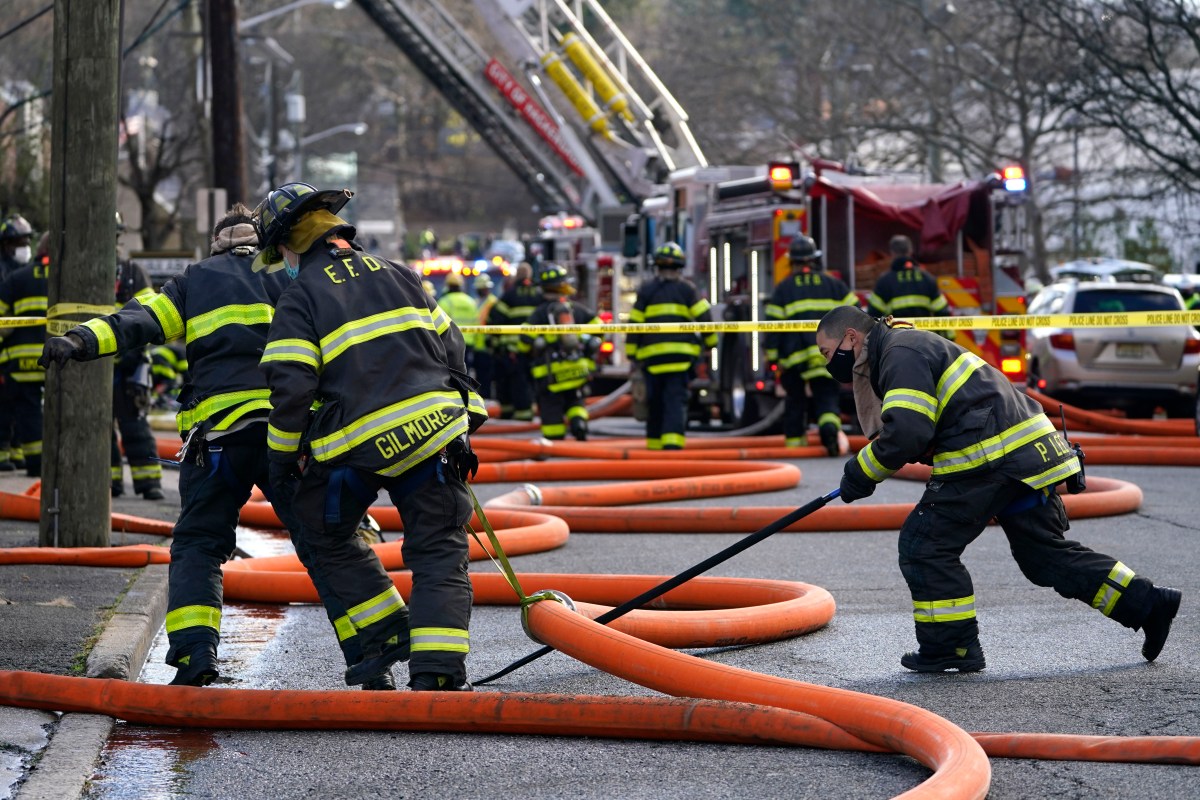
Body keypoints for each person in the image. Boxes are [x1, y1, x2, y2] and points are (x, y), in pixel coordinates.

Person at [40, 203, 382, 688]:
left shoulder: (194, 281)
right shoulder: (295, 278)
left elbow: (138, 321)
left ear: (216, 242)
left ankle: (195, 656)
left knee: (200, 544)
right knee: (326, 545)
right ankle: (373, 658)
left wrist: (77, 339)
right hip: (289, 438)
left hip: (219, 441)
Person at [814, 305, 1182, 673]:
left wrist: (859, 473)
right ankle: (1149, 604)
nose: (830, 363)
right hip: (1025, 455)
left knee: (924, 544)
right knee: (1044, 557)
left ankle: (952, 647)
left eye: (827, 353)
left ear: (851, 337)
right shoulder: (901, 348)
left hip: (990, 456)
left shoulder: (899, 353)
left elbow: (908, 431)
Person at [252, 182, 486, 692]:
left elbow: (291, 387)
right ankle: (439, 673)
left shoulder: (301, 295)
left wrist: (281, 457)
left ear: (293, 243)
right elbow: (453, 346)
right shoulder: (400, 274)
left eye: (281, 253)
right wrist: (466, 418)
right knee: (439, 550)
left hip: (357, 449)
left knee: (323, 532)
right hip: (433, 438)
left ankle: (382, 633)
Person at [765, 235, 858, 454]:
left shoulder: (783, 289)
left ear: (792, 262)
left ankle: (796, 447)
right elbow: (857, 313)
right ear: (814, 259)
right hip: (829, 354)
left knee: (795, 400)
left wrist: (772, 356)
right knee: (827, 396)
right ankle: (829, 429)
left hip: (794, 358)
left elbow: (772, 326)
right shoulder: (834, 285)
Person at [624, 242, 716, 450]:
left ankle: (655, 447)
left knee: (654, 403)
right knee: (674, 402)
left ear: (657, 267)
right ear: (679, 267)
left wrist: (632, 355)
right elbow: (705, 318)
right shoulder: (687, 290)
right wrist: (711, 344)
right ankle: (672, 447)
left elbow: (635, 325)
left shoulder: (646, 291)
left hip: (652, 360)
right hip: (680, 360)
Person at [110, 215, 164, 499]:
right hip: (96, 365)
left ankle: (149, 483)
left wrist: (133, 353)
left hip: (129, 366)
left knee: (135, 426)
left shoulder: (132, 272)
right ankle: (110, 482)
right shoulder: (84, 271)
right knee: (98, 428)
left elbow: (148, 317)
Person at [519, 263, 601, 441]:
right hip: (577, 372)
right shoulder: (576, 309)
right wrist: (582, 338)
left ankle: (555, 447)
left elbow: (523, 342)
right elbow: (599, 327)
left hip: (550, 377)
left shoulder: (540, 313)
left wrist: (541, 342)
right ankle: (579, 422)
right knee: (576, 402)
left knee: (551, 415)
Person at [0, 227, 47, 476]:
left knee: (26, 412)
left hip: (21, 361)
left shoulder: (18, 278)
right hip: (62, 359)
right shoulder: (68, 276)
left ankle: (35, 461)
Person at [490, 262, 540, 420]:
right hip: (537, 349)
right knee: (534, 381)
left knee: (516, 383)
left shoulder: (509, 295)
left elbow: (496, 322)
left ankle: (515, 414)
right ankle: (533, 411)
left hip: (514, 350)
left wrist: (495, 346)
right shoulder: (539, 294)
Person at [866, 235, 951, 323]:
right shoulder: (927, 278)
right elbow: (942, 312)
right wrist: (948, 336)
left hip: (895, 335)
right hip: (924, 335)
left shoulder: (884, 281)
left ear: (892, 253)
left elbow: (873, 315)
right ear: (910, 251)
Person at [437, 271, 479, 378]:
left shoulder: (444, 301)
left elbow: (439, 325)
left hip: (451, 343)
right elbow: (476, 322)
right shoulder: (471, 301)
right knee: (466, 374)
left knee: (452, 375)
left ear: (448, 285)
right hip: (468, 342)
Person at [472, 273, 498, 399]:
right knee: (480, 377)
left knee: (486, 378)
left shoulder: (492, 302)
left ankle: (486, 399)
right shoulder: (476, 302)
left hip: (487, 346)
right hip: (477, 345)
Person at [0, 214, 34, 281]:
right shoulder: (2, 271)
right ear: (6, 245)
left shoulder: (27, 267)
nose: (25, 248)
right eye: (21, 244)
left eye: (27, 244)